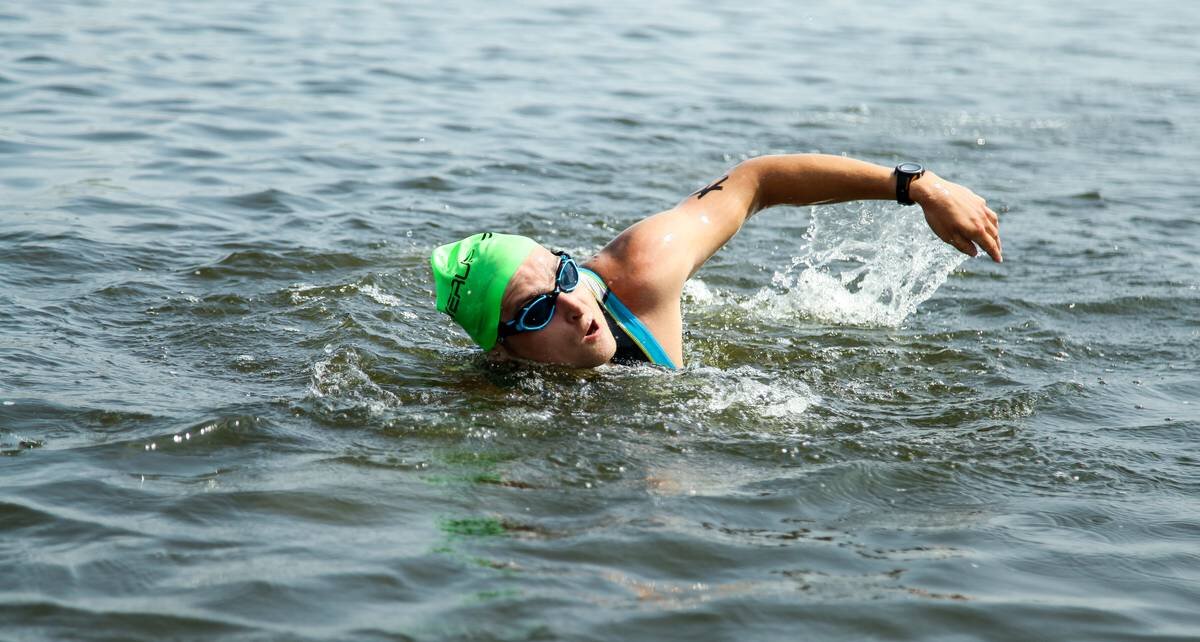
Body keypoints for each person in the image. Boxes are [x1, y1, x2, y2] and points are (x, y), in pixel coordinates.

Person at [430, 154, 1002, 369]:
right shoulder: (488, 399)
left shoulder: (638, 276)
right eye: (536, 313)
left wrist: (917, 186)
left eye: (565, 276)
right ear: (501, 350)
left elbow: (757, 182)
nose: (578, 309)